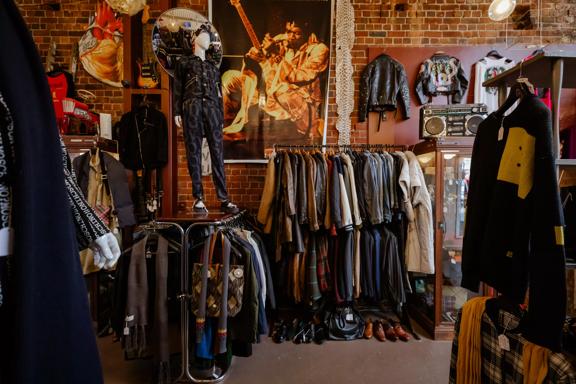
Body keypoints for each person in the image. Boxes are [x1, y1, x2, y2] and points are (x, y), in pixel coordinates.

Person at [222, 20, 329, 139]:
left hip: (301, 102)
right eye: (288, 31)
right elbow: (269, 74)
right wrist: (259, 57)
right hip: (273, 95)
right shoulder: (282, 42)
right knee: (230, 77)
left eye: (296, 33)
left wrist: (271, 56)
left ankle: (302, 130)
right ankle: (227, 125)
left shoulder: (319, 50)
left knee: (282, 90)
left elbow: (296, 77)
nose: (290, 36)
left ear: (307, 31)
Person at [173, 23, 239, 214]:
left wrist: (220, 114)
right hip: (191, 106)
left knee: (217, 153)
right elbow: (178, 88)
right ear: (194, 39)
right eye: (203, 35)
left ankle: (223, 198)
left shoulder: (212, 66)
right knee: (192, 150)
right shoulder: (184, 63)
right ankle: (198, 197)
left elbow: (219, 93)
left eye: (209, 36)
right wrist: (178, 111)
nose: (207, 39)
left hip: (211, 108)